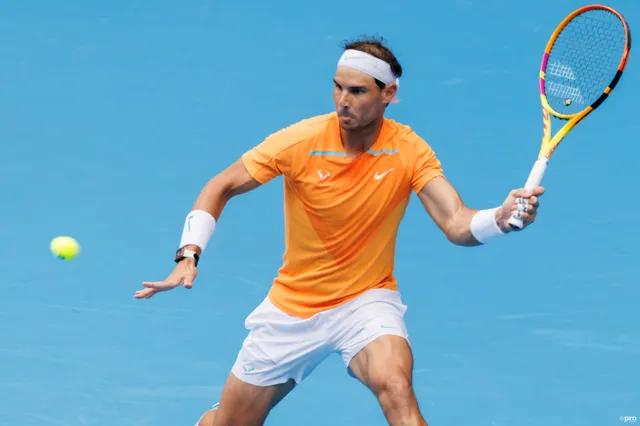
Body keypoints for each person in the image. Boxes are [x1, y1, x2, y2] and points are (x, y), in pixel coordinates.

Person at [135, 36, 544, 426]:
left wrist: (500, 219)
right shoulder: (302, 141)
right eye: (338, 88)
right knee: (231, 421)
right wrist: (188, 254)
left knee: (396, 386)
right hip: (293, 308)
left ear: (389, 93)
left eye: (358, 92)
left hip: (365, 301)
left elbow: (455, 222)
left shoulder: (409, 150)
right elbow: (220, 185)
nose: (343, 101)